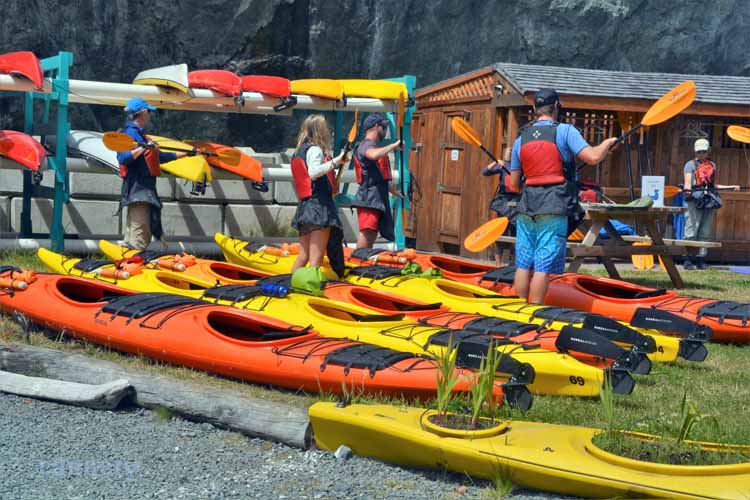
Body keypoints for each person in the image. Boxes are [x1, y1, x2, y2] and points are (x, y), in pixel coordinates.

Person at [509, 88, 617, 304]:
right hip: (554, 204)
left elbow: (513, 183)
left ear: (534, 109)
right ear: (557, 106)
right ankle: (535, 310)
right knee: (542, 265)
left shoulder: (520, 138)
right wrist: (607, 143)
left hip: (526, 206)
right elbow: (594, 157)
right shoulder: (566, 131)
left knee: (523, 263)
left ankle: (516, 309)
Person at [117, 97, 196, 250]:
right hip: (137, 192)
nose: (150, 115)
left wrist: (189, 153)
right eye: (149, 112)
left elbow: (160, 157)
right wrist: (144, 148)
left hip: (145, 192)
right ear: (142, 113)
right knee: (139, 237)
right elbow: (123, 157)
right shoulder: (128, 134)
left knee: (140, 234)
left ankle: (129, 259)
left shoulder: (141, 136)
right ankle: (133, 265)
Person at [289, 114, 347, 273]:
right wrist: (335, 161)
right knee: (316, 260)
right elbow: (314, 172)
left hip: (305, 207)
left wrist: (334, 165)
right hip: (318, 208)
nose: (327, 131)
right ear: (319, 131)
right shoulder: (315, 150)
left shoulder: (298, 152)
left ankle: (290, 285)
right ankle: (310, 291)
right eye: (325, 128)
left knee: (303, 256)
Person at [682, 138, 739, 270]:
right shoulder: (689, 165)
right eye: (699, 151)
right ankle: (688, 259)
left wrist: (730, 187)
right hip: (694, 200)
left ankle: (701, 259)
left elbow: (713, 185)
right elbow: (687, 183)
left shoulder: (712, 165)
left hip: (709, 201)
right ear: (695, 152)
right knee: (692, 229)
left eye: (703, 151)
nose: (701, 154)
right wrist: (687, 191)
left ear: (708, 151)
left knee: (705, 231)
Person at [351, 113, 404, 249]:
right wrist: (393, 146)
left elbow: (377, 177)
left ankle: (363, 262)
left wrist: (394, 191)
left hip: (375, 199)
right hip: (368, 199)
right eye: (383, 127)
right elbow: (373, 155)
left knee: (372, 234)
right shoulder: (366, 146)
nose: (385, 131)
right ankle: (359, 262)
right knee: (367, 234)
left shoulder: (371, 145)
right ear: (376, 126)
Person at [483, 159, 519, 266]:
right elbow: (485, 171)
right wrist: (496, 161)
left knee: (515, 233)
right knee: (500, 232)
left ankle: (513, 264)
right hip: (503, 202)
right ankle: (498, 265)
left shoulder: (520, 166)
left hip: (517, 200)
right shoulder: (503, 165)